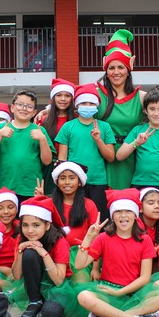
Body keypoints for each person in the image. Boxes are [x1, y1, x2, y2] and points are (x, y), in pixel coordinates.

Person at [95, 30, 159, 189]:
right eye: (111, 68)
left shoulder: (141, 97)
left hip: (131, 153)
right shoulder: (96, 95)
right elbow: (72, 103)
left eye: (121, 67)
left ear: (129, 69)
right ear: (106, 71)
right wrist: (48, 109)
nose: (116, 72)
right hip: (102, 152)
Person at [73, 189, 159, 317]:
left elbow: (145, 278)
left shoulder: (145, 240)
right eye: (118, 211)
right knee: (84, 296)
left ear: (135, 215)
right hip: (108, 290)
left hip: (135, 291)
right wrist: (88, 238)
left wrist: (120, 292)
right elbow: (79, 265)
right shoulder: (103, 238)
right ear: (112, 215)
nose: (123, 216)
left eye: (128, 211)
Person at [116, 88, 159, 225]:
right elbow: (120, 155)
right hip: (140, 183)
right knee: (138, 223)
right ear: (145, 111)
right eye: (152, 109)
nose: (156, 113)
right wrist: (136, 143)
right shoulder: (138, 130)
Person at [55, 84, 115, 218]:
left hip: (98, 181)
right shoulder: (68, 127)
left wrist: (98, 140)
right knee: (76, 217)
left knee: (98, 219)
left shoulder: (105, 127)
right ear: (77, 105)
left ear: (97, 106)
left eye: (91, 103)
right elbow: (62, 159)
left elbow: (111, 157)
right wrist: (64, 181)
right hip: (74, 182)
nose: (87, 106)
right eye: (83, 103)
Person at [0, 90, 55, 203]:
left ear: (34, 112)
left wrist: (42, 140)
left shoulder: (40, 130)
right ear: (12, 107)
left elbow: (47, 161)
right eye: (20, 104)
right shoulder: (1, 128)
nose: (24, 108)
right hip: (7, 187)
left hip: (32, 189)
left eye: (29, 106)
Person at [11, 196, 70, 317]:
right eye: (25, 225)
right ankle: (35, 301)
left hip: (55, 286)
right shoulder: (22, 238)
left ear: (47, 225)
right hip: (33, 284)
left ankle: (45, 304)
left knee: (51, 314)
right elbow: (17, 276)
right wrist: (20, 249)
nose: (30, 231)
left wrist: (43, 253)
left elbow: (59, 281)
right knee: (29, 253)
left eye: (36, 225)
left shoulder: (59, 241)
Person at [44, 161, 98, 282]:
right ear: (57, 181)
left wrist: (95, 268)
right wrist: (39, 200)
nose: (67, 182)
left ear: (79, 182)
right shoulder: (50, 203)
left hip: (80, 254)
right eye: (63, 178)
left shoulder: (89, 205)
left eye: (72, 178)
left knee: (80, 284)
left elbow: (96, 239)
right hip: (54, 253)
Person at [40, 79, 76, 195]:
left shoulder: (78, 118)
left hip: (72, 166)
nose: (63, 99)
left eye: (67, 96)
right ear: (53, 98)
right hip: (48, 167)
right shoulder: (43, 120)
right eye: (59, 95)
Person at [0, 188, 19, 277]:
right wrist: (3, 270)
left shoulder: (22, 227)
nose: (6, 212)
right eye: (0, 208)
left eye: (10, 207)